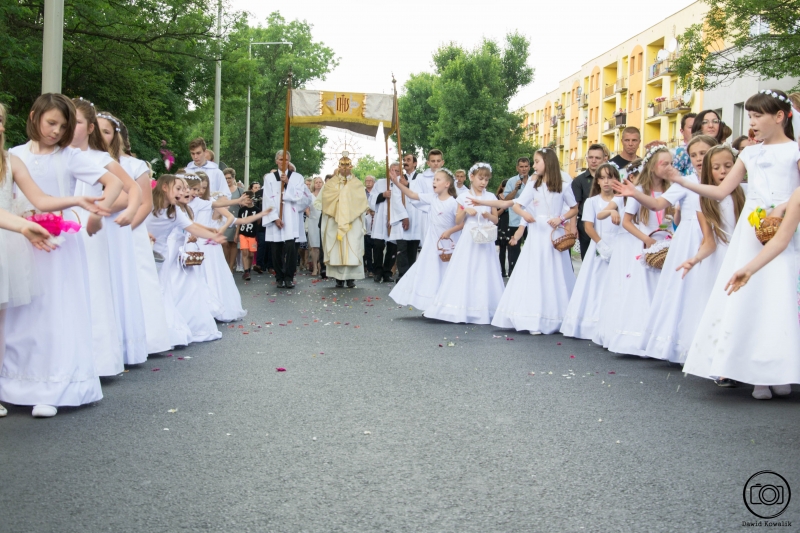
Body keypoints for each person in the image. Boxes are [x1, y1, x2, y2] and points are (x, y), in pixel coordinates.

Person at [2, 93, 129, 418]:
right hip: (19, 239)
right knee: (20, 315)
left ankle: (54, 386)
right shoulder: (13, 155)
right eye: (51, 123)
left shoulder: (69, 156)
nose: (56, 131)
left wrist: (97, 207)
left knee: (56, 311)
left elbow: (113, 183)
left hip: (59, 239)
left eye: (63, 125)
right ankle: (15, 384)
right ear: (33, 117)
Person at [667, 89, 799, 400]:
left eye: (756, 116)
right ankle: (756, 377)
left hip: (784, 227)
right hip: (751, 231)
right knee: (750, 298)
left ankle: (780, 371)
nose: (751, 122)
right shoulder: (750, 154)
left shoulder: (795, 152)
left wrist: (781, 210)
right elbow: (721, 190)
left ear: (779, 117)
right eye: (749, 116)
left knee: (779, 300)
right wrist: (682, 180)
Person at [612, 135, 721, 362]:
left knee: (712, 288)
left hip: (717, 238)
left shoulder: (726, 181)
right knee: (686, 290)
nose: (699, 159)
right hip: (691, 239)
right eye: (694, 155)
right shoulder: (685, 181)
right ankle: (683, 345)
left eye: (703, 153)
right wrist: (635, 193)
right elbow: (657, 204)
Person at [474, 149, 579, 334]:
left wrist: (561, 218)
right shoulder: (533, 184)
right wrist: (524, 215)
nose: (534, 165)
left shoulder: (563, 184)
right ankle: (533, 315)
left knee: (554, 272)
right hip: (537, 231)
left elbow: (574, 208)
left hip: (554, 231)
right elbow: (515, 203)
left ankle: (556, 316)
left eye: (537, 161)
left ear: (547, 162)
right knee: (535, 271)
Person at [595, 146, 672, 356]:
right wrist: (646, 239)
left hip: (663, 242)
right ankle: (637, 336)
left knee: (661, 291)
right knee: (642, 289)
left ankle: (660, 338)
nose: (669, 167)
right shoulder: (638, 192)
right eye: (664, 163)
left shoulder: (670, 190)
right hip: (644, 243)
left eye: (671, 163)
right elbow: (628, 222)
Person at [424, 163, 504, 324]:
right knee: (466, 268)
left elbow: (496, 220)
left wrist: (488, 215)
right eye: (481, 178)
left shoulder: (491, 198)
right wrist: (466, 210)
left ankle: (485, 307)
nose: (483, 182)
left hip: (485, 237)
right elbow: (457, 220)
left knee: (485, 269)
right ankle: (462, 305)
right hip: (469, 236)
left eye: (486, 179)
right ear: (472, 177)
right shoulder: (463, 197)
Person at [561, 163, 624, 340]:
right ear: (597, 181)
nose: (606, 182)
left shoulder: (622, 200)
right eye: (602, 178)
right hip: (600, 245)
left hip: (619, 244)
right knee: (596, 284)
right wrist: (601, 244)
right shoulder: (592, 202)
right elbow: (588, 226)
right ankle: (592, 322)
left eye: (609, 177)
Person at [388, 168, 462, 310]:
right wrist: (397, 183)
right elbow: (411, 194)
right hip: (432, 242)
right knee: (430, 272)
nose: (434, 182)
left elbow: (461, 223)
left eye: (438, 180)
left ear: (447, 184)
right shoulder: (432, 198)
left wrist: (450, 231)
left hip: (449, 243)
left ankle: (448, 304)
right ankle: (430, 304)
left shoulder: (454, 202)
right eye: (434, 179)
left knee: (447, 272)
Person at [319, 152, 369, 288]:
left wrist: (349, 205)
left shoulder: (357, 184)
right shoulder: (331, 184)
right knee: (336, 250)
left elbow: (361, 202)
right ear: (338, 166)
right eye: (342, 165)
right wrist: (339, 203)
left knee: (353, 247)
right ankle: (338, 278)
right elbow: (325, 200)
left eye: (348, 166)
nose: (345, 168)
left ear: (351, 167)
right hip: (335, 221)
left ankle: (351, 278)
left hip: (352, 222)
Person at [262, 150, 306, 289]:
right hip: (276, 216)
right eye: (281, 159)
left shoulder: (297, 177)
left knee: (291, 248)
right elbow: (267, 198)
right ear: (276, 161)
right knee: (276, 250)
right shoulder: (269, 178)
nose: (283, 162)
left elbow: (299, 195)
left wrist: (288, 183)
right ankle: (279, 276)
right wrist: (274, 218)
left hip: (290, 217)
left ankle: (289, 276)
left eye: (286, 160)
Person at [368, 163, 408, 283]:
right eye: (393, 170)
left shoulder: (401, 184)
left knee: (392, 246)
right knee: (378, 245)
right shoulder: (380, 183)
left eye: (398, 171)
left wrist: (397, 218)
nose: (395, 173)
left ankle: (387, 272)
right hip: (381, 218)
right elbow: (371, 199)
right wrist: (382, 195)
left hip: (394, 218)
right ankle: (378, 271)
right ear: (389, 170)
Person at [571, 144, 606, 260]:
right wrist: (573, 227)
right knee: (587, 258)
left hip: (606, 223)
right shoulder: (578, 181)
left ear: (604, 159)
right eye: (591, 157)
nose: (594, 161)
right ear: (586, 159)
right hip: (586, 224)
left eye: (597, 158)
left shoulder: (610, 179)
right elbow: (575, 206)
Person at [395, 152, 425, 280]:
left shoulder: (422, 178)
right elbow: (396, 198)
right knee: (401, 248)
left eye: (408, 160)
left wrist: (407, 184)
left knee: (413, 248)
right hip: (403, 218)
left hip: (417, 218)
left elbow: (422, 195)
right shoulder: (397, 179)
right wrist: (403, 216)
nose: (405, 162)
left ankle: (411, 276)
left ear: (415, 163)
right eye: (404, 160)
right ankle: (402, 275)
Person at [502, 157, 531, 275]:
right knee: (514, 248)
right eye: (521, 167)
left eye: (526, 166)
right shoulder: (512, 181)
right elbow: (506, 199)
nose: (524, 169)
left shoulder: (535, 181)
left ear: (529, 167)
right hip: (515, 220)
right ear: (517, 168)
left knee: (531, 248)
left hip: (530, 220)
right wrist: (515, 189)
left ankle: (529, 272)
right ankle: (513, 273)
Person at [222, 168, 244, 270]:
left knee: (233, 244)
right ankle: (225, 265)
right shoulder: (221, 190)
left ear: (233, 178)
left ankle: (231, 267)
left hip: (236, 220)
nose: (227, 180)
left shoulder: (240, 191)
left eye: (229, 178)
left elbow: (243, 207)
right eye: (225, 178)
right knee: (224, 243)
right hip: (223, 220)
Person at [307, 176, 324, 276]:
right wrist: (310, 216)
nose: (318, 184)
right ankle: (314, 267)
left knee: (323, 245)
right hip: (313, 221)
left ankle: (321, 265)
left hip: (323, 220)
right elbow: (306, 208)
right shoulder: (310, 195)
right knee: (314, 246)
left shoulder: (325, 195)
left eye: (320, 182)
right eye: (316, 182)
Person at [495, 180, 511, 277]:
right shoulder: (497, 197)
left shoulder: (513, 197)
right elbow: (496, 214)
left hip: (510, 222)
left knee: (511, 247)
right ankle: (502, 270)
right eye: (505, 187)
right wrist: (503, 208)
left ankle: (511, 270)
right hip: (502, 222)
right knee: (502, 248)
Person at [363, 175, 375, 275]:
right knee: (366, 250)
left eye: (370, 180)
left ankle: (374, 268)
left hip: (375, 220)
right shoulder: (362, 193)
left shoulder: (376, 192)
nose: (368, 182)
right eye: (366, 180)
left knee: (376, 249)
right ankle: (367, 267)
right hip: (364, 220)